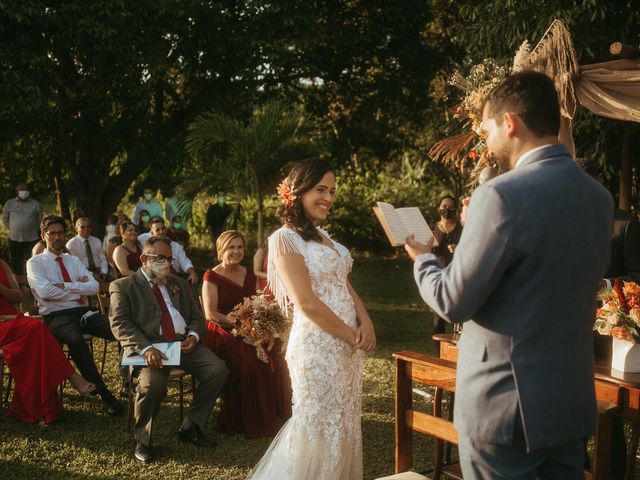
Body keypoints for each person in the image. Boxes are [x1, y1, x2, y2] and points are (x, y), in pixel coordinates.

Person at [404, 71, 613, 479]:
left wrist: (423, 259)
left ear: (510, 123)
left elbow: (452, 300)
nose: (486, 140)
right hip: (568, 405)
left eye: (486, 129)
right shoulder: (598, 198)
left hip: (503, 407)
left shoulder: (499, 195)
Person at [249, 158, 376, 479]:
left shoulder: (326, 238)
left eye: (332, 191)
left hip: (347, 349)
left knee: (344, 422)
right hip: (318, 348)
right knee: (317, 425)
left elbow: (344, 285)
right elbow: (305, 302)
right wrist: (351, 334)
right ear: (297, 192)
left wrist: (366, 320)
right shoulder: (284, 238)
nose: (329, 198)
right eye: (321, 189)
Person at [109, 236, 229, 463]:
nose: (166, 264)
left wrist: (193, 336)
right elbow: (120, 324)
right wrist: (145, 349)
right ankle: (143, 441)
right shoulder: (123, 286)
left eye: (169, 259)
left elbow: (196, 318)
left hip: (183, 346)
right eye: (160, 258)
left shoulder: (179, 284)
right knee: (152, 384)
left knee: (217, 369)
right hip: (150, 350)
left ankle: (191, 425)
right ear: (144, 259)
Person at [26, 215, 123, 415]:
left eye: (60, 233)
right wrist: (78, 288)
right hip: (56, 316)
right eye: (52, 233)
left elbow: (94, 286)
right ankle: (105, 395)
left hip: (82, 312)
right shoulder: (35, 263)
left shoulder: (73, 260)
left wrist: (64, 286)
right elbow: (44, 293)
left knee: (121, 329)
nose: (57, 237)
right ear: (43, 236)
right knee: (75, 340)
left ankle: (131, 380)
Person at [202, 230, 291, 438]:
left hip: (249, 326)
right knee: (248, 359)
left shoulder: (249, 275)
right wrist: (240, 325)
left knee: (277, 353)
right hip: (223, 330)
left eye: (240, 247)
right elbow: (210, 313)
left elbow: (257, 304)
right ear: (221, 250)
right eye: (231, 247)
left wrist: (263, 324)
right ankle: (247, 418)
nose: (236, 251)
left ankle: (278, 411)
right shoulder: (211, 276)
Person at [0, 257, 95, 426]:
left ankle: (39, 410)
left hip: (11, 321)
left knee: (34, 345)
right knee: (36, 328)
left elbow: (18, 297)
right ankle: (71, 376)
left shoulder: (2, 264)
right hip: (5, 323)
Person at [430, 195, 463, 351]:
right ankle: (440, 352)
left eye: (451, 206)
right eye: (444, 205)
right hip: (438, 275)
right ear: (439, 208)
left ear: (456, 209)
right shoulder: (432, 228)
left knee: (458, 314)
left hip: (457, 274)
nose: (447, 209)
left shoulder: (461, 228)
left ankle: (458, 349)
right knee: (438, 316)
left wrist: (459, 250)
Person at [139, 217, 198, 285]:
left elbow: (184, 262)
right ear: (151, 232)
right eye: (158, 230)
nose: (161, 231)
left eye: (163, 228)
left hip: (175, 277)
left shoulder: (175, 246)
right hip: (154, 277)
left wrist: (192, 272)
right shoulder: (143, 240)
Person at [2, 183, 42, 275]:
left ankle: (31, 282)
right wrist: (12, 228)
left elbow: (40, 220)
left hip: (32, 238)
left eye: (26, 190)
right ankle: (18, 284)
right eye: (21, 190)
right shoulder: (9, 203)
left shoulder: (36, 204)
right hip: (14, 238)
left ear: (29, 191)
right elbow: (5, 218)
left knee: (32, 261)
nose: (24, 192)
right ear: (17, 192)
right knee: (15, 262)